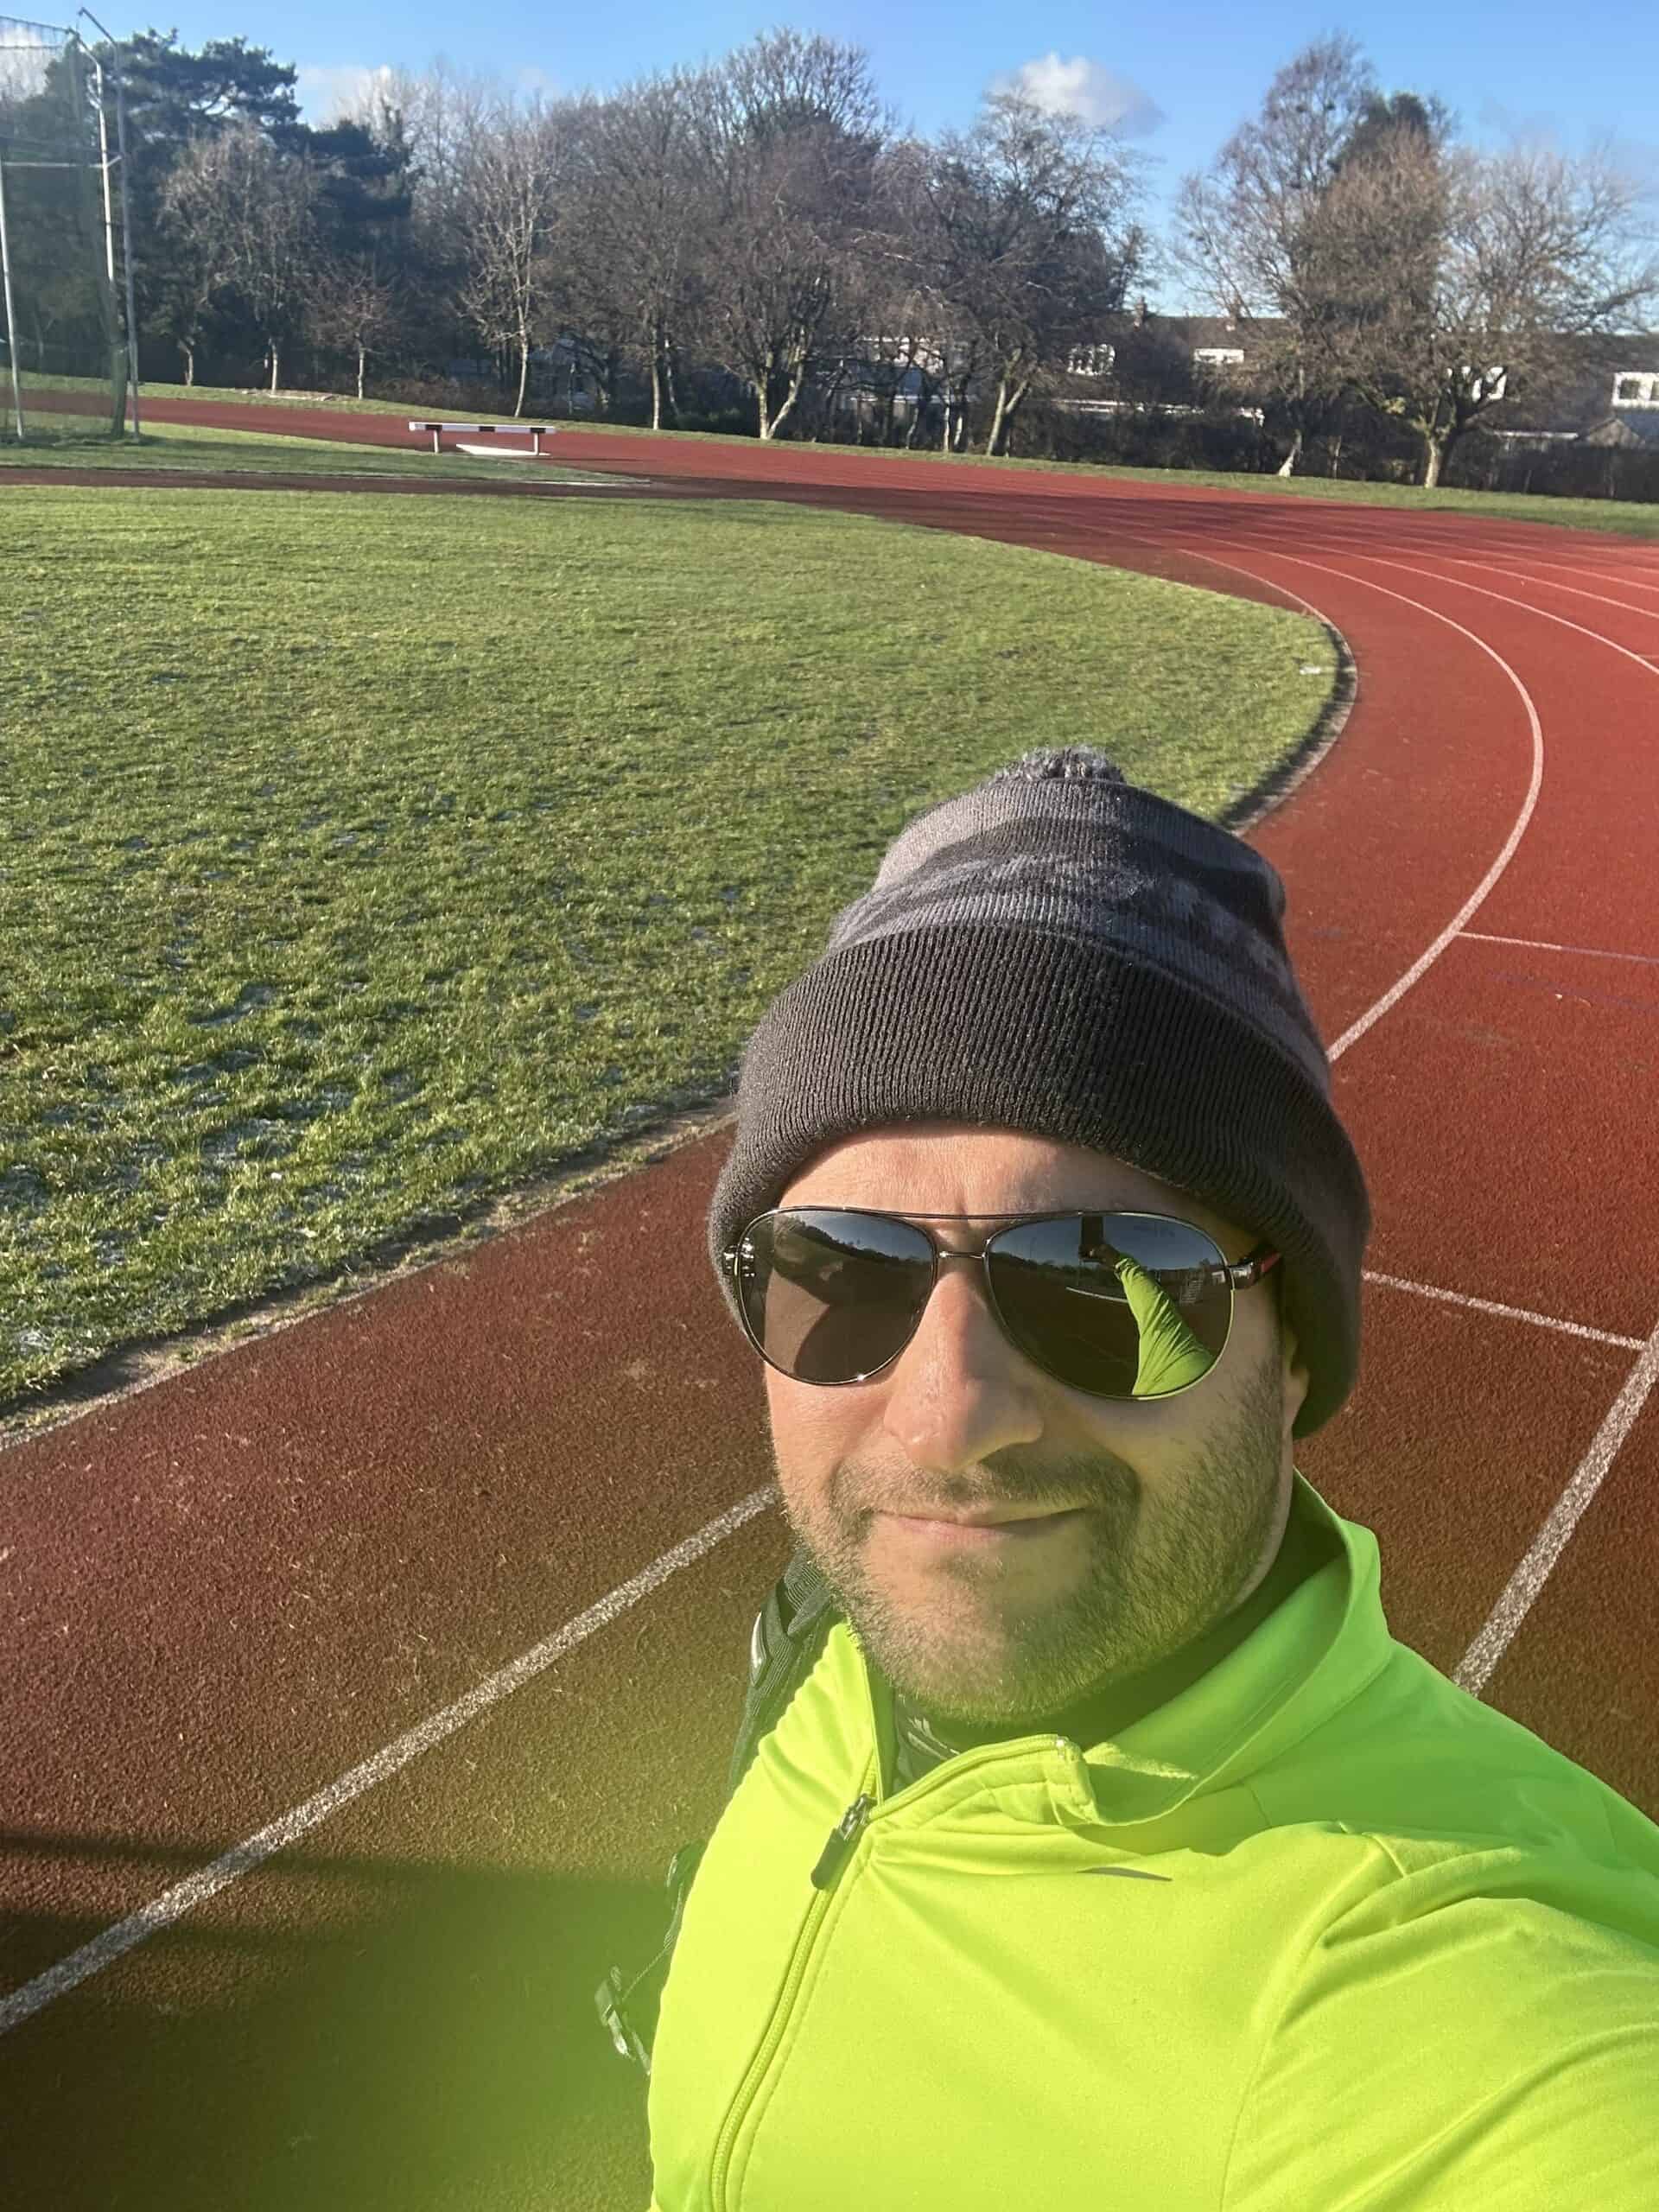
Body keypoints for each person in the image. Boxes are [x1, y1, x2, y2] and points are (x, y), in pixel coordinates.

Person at [645, 746, 1659, 2210]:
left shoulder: (1436, 1990)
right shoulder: (825, 1645)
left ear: (1292, 1349)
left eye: (1107, 1282)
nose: (943, 1424)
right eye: (841, 1274)